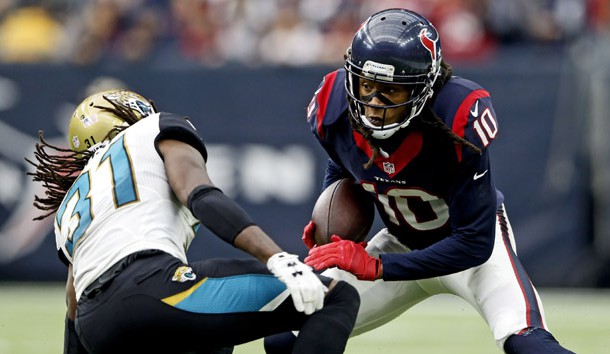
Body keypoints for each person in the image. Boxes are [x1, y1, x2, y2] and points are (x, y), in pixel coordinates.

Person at [264, 8, 574, 354]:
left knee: (526, 344)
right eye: (366, 86)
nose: (372, 105)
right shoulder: (333, 106)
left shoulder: (457, 117)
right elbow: (343, 163)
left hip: (470, 253)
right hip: (401, 241)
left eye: (391, 93)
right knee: (286, 334)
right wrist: (333, 228)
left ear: (425, 89)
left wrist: (378, 266)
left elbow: (474, 243)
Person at [26, 89, 359, 354]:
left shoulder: (72, 201)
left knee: (214, 338)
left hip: (95, 325)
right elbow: (199, 194)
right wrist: (277, 258)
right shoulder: (151, 131)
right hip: (151, 288)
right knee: (334, 296)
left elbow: (72, 302)